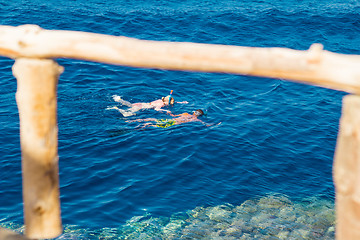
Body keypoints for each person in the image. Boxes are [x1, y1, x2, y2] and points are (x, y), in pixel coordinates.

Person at [107, 94, 188, 117]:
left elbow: (172, 101)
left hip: (141, 103)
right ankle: (116, 108)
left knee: (130, 105)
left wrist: (182, 102)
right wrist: (165, 110)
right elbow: (156, 109)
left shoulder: (161, 100)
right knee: (127, 114)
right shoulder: (161, 104)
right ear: (167, 102)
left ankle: (119, 100)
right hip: (141, 107)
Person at [127, 109, 211, 128]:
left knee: (152, 119)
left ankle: (133, 120)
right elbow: (205, 124)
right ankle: (145, 126)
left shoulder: (185, 113)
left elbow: (173, 116)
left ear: (194, 112)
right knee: (154, 125)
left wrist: (169, 112)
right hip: (173, 123)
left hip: (172, 120)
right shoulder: (196, 119)